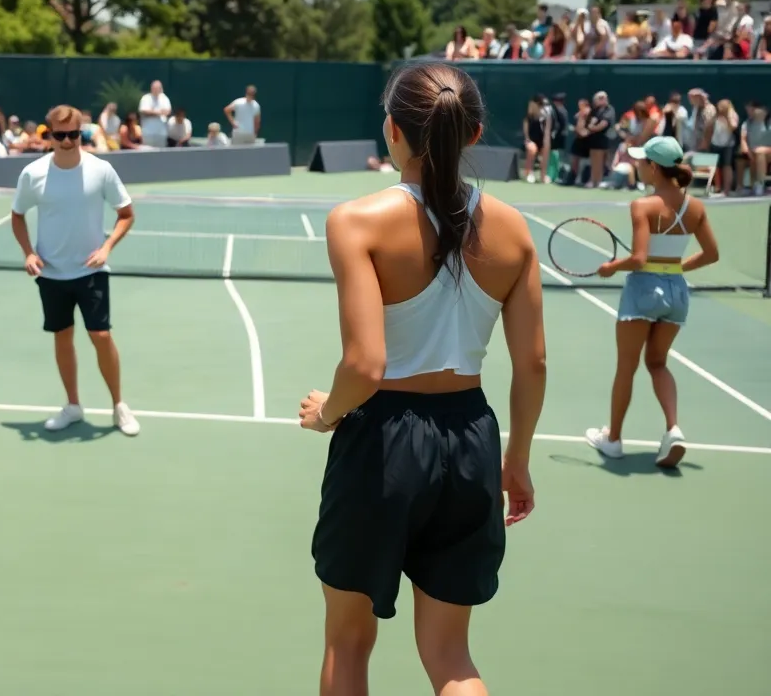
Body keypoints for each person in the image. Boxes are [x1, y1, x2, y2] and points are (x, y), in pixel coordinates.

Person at [297, 61, 544, 696]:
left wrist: (326, 414)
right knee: (451, 657)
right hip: (473, 440)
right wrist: (515, 461)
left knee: (347, 644)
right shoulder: (515, 231)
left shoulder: (356, 221)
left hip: (381, 442)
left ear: (392, 129)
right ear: (474, 133)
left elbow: (365, 366)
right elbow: (533, 365)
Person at [588, 136, 719, 468]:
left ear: (654, 168)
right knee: (658, 363)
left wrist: (610, 267)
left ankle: (613, 441)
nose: (638, 166)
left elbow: (639, 258)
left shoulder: (642, 206)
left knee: (626, 367)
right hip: (677, 293)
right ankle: (673, 429)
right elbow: (711, 254)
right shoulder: (696, 207)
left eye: (642, 161)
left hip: (643, 291)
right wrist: (676, 269)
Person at [10, 104, 140, 437]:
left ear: (82, 133)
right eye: (60, 135)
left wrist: (106, 248)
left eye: (74, 134)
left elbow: (126, 214)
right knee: (63, 336)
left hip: (92, 271)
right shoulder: (32, 174)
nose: (67, 141)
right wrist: (28, 253)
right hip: (51, 274)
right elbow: (17, 215)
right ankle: (72, 405)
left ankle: (119, 405)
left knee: (101, 335)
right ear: (49, 135)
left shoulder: (101, 170)